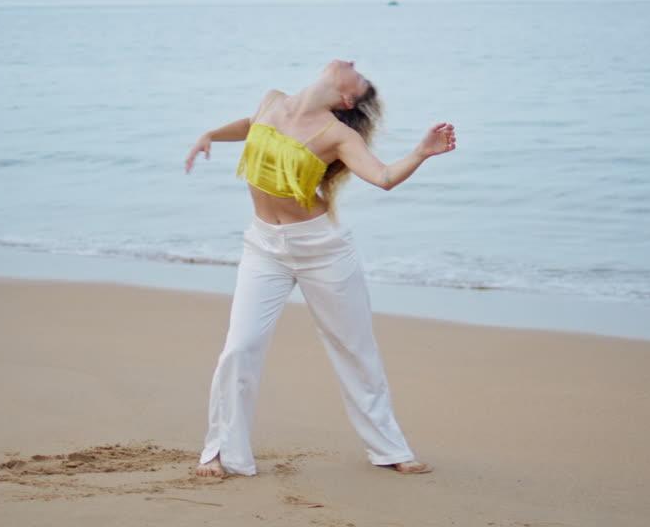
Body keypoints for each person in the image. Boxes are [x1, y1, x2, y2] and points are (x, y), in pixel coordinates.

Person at [184, 59, 457, 477]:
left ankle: (389, 449)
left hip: (322, 250)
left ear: (347, 97)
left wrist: (422, 151)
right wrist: (211, 135)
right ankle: (222, 451)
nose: (354, 65)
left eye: (362, 76)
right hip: (263, 247)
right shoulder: (272, 100)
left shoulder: (338, 135)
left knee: (354, 350)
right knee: (240, 348)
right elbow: (251, 125)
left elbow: (382, 177)